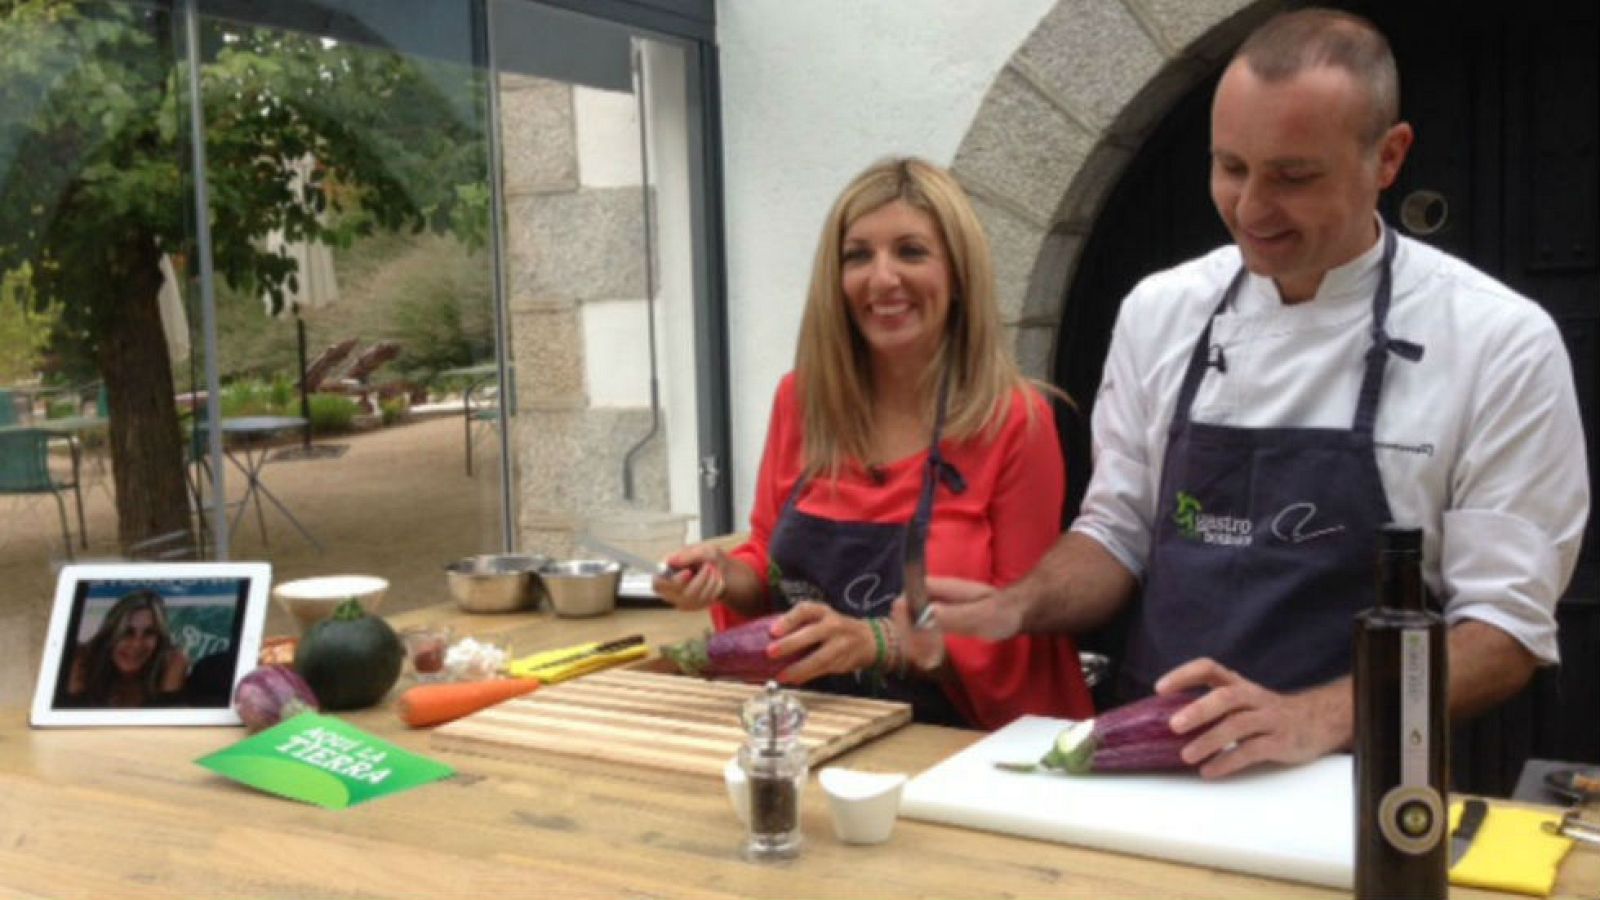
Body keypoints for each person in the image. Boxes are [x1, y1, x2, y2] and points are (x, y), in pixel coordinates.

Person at [929, 8, 1588, 775]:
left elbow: (1504, 632)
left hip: (1377, 781)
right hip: (1167, 756)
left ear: (1389, 157)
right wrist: (1016, 605)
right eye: (1231, 167)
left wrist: (1310, 718)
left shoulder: (1500, 340)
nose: (1250, 209)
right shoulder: (1160, 310)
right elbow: (1117, 530)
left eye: (1293, 176)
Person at [655, 157, 1093, 729]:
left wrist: (882, 642)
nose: (882, 278)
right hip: (812, 727)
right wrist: (717, 573)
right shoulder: (801, 401)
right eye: (858, 255)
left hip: (954, 744)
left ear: (959, 275)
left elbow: (1015, 622)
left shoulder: (1013, 420)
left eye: (911, 252)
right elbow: (766, 563)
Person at [64, 589, 190, 708]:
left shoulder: (170, 670)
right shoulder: (82, 665)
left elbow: (168, 729)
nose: (137, 644)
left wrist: (169, 694)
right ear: (109, 635)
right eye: (127, 632)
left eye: (149, 633)